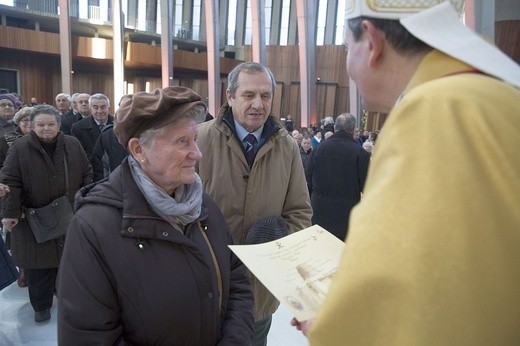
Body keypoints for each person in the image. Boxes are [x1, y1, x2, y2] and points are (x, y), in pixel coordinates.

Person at [292, 1, 520, 344]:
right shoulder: (490, 96)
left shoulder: (434, 110)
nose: (347, 64)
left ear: (371, 42)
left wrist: (333, 323)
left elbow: (404, 293)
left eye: (345, 48)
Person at [57, 86, 255, 345]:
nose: (197, 153)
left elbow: (237, 278)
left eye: (194, 139)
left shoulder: (201, 204)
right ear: (139, 150)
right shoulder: (93, 227)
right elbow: (87, 335)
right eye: (182, 141)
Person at [197, 61, 312, 345]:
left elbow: (300, 211)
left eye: (265, 95)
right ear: (230, 97)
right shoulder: (200, 138)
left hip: (258, 290)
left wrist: (277, 240)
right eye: (249, 95)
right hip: (206, 283)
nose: (258, 104)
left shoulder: (287, 147)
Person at [0, 105, 92, 323]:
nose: (46, 129)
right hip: (34, 217)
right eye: (40, 125)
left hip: (69, 212)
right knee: (39, 266)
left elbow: (87, 173)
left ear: (59, 125)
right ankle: (41, 306)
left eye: (51, 124)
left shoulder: (72, 143)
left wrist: (87, 200)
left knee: (68, 262)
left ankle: (66, 297)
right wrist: (10, 213)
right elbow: (10, 180)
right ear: (31, 126)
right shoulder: (20, 148)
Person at [305, 113, 370, 240]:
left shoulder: (318, 149)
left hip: (319, 210)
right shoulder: (360, 153)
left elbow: (307, 178)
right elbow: (367, 187)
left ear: (335, 128)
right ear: (353, 130)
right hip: (347, 214)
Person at [71, 93, 114, 159]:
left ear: (109, 108)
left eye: (103, 107)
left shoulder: (119, 125)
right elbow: (81, 153)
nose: (99, 111)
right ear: (90, 109)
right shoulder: (77, 128)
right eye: (95, 107)